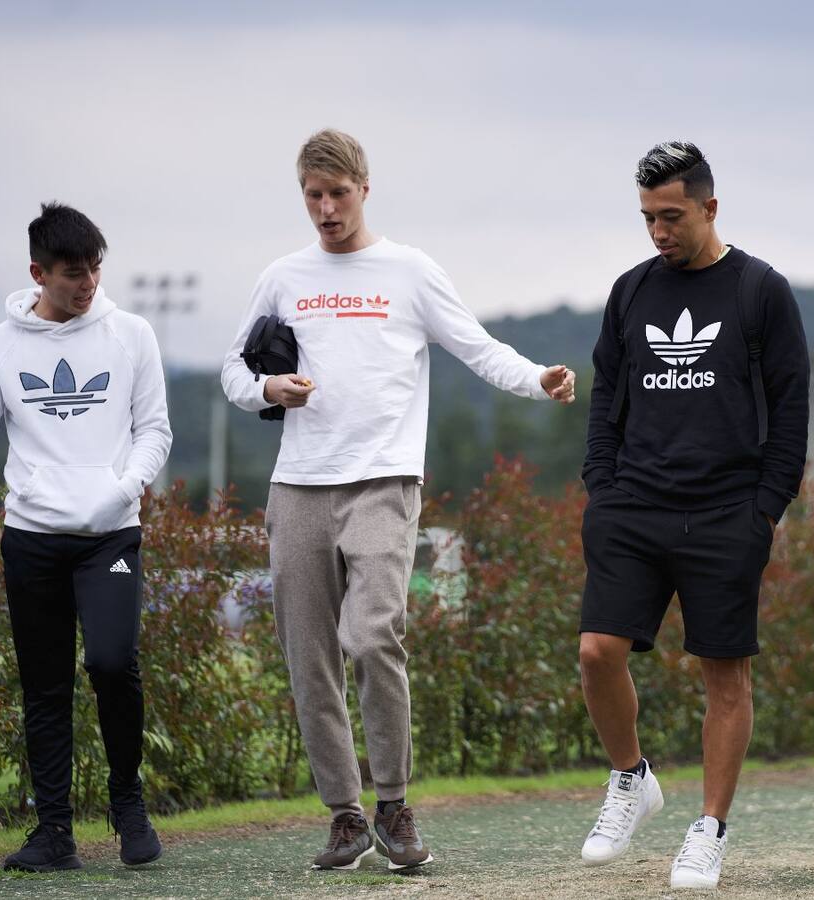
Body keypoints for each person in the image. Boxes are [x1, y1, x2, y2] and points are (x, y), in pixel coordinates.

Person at [220, 128, 576, 872]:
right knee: (307, 651)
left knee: (375, 634)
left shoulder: (408, 271)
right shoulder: (283, 275)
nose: (325, 209)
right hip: (298, 485)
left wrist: (537, 377)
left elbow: (477, 346)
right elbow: (232, 370)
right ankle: (345, 816)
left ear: (364, 188)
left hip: (384, 480)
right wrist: (266, 390)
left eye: (337, 194)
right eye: (313, 196)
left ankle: (394, 803)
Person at [579, 141, 809, 889]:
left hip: (726, 515)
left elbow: (792, 412)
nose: (658, 232)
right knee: (596, 652)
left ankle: (708, 830)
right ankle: (630, 777)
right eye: (647, 217)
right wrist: (601, 491)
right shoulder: (630, 291)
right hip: (632, 507)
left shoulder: (761, 291)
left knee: (724, 677)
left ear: (710, 207)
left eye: (671, 216)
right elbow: (604, 398)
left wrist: (764, 511)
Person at [0, 203, 172, 871]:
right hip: (30, 541)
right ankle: (55, 835)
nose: (88, 283)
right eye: (72, 274)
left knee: (113, 662)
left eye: (95, 269)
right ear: (38, 272)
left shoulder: (132, 335)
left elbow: (156, 431)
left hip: (110, 539)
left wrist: (122, 491)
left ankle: (129, 805)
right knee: (45, 687)